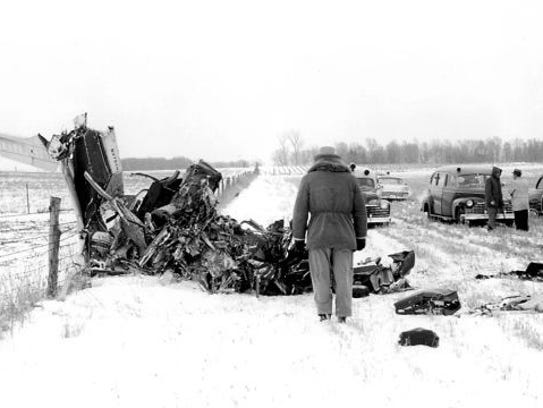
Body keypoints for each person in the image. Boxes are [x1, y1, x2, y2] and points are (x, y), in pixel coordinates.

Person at [292, 146, 367, 323]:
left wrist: (298, 238)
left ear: (317, 160)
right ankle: (343, 314)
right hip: (344, 236)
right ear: (337, 159)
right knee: (344, 277)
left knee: (320, 276)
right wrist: (360, 236)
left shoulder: (309, 179)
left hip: (319, 235)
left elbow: (300, 211)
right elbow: (360, 211)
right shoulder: (349, 179)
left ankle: (324, 313)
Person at [485, 166, 504, 230]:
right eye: (497, 173)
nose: (499, 175)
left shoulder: (497, 180)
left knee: (494, 217)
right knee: (492, 217)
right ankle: (493, 229)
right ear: (494, 173)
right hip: (491, 203)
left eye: (499, 173)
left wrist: (501, 202)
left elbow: (499, 192)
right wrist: (491, 200)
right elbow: (488, 192)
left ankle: (490, 229)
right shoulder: (489, 180)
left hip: (497, 202)